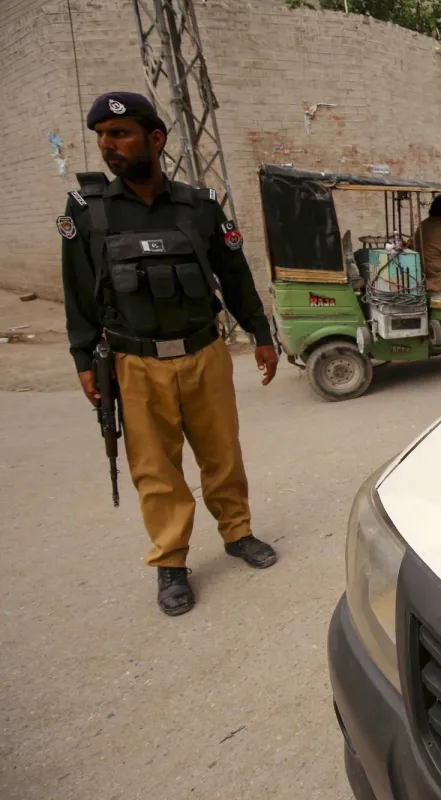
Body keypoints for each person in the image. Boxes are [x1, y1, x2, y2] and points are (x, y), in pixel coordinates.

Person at [59, 91, 279, 617]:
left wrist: (261, 333)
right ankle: (171, 560)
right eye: (102, 137)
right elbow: (77, 291)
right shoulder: (88, 212)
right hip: (135, 363)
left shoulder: (199, 206)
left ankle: (237, 533)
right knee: (155, 469)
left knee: (222, 453)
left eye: (120, 134)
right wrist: (83, 360)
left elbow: (234, 274)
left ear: (155, 139)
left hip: (204, 352)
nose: (107, 146)